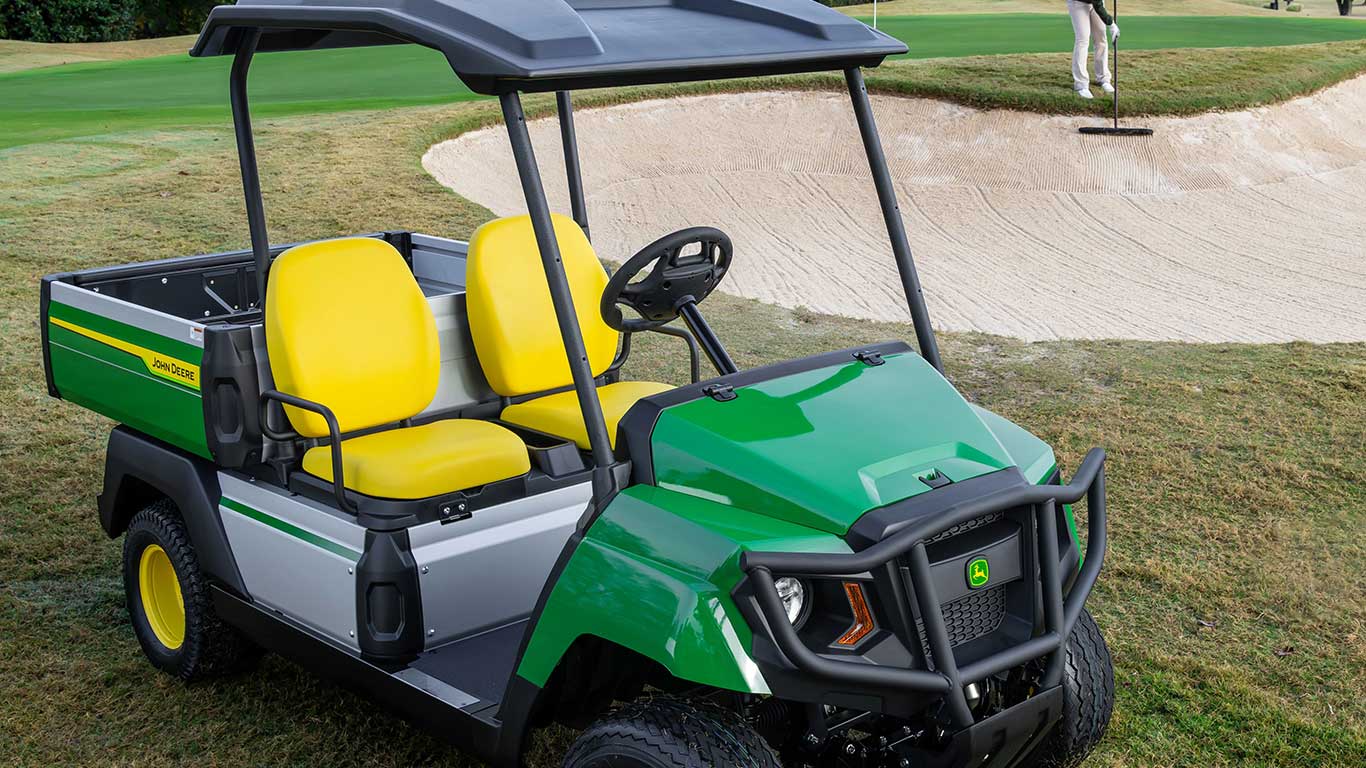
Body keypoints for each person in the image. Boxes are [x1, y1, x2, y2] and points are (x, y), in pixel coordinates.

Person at [1068, 0, 1120, 99]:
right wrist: (1111, 23)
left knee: (1101, 38)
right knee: (1082, 40)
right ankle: (1081, 84)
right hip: (1078, 3)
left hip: (1095, 3)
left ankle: (1103, 78)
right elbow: (1098, 4)